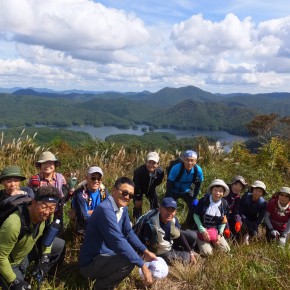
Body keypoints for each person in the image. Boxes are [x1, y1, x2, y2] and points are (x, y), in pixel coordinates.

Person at [79, 177, 156, 290]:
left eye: (131, 195)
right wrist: (142, 265)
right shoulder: (105, 210)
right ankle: (101, 287)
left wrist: (145, 251)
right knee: (128, 261)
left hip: (105, 257)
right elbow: (117, 240)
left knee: (130, 256)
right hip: (90, 263)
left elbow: (128, 233)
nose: (127, 197)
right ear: (114, 190)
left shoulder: (122, 209)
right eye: (124, 193)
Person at [0, 186, 65, 290]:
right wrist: (14, 281)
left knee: (59, 245)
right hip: (10, 263)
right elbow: (1, 258)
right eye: (43, 206)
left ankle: (43, 277)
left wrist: (45, 258)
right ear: (33, 202)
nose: (47, 212)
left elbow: (48, 238)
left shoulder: (48, 215)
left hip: (28, 251)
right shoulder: (14, 224)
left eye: (52, 208)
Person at [138, 197, 198, 265]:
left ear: (175, 211)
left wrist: (190, 252)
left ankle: (186, 252)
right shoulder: (151, 224)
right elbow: (143, 242)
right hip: (161, 249)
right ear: (160, 208)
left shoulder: (173, 219)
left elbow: (180, 235)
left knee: (193, 236)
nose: (169, 213)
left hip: (170, 240)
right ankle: (180, 253)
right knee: (187, 258)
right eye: (167, 209)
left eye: (172, 210)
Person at [27, 151, 67, 226]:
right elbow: (30, 198)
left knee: (55, 231)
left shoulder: (60, 178)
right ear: (40, 166)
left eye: (50, 163)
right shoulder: (34, 180)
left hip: (56, 211)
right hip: (40, 212)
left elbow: (64, 194)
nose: (47, 166)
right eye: (44, 163)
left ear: (54, 165)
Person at [166, 150, 203, 228]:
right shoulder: (176, 168)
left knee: (195, 206)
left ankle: (188, 224)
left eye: (192, 160)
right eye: (187, 160)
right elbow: (169, 184)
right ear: (183, 160)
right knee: (167, 206)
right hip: (173, 190)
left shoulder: (198, 170)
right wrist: (169, 199)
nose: (189, 163)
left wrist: (194, 197)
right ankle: (168, 224)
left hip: (187, 191)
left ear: (195, 161)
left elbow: (198, 185)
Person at [193, 179, 231, 256]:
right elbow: (196, 215)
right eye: (215, 190)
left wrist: (220, 234)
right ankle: (200, 242)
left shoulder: (224, 203)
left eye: (220, 191)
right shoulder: (203, 201)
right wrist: (202, 230)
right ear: (211, 190)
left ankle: (213, 242)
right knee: (208, 253)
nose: (217, 193)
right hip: (202, 231)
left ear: (223, 193)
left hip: (216, 232)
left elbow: (224, 220)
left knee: (227, 250)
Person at [71, 166, 108, 234]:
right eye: (93, 178)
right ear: (87, 178)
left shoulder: (104, 192)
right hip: (83, 226)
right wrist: (99, 212)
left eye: (99, 178)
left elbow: (108, 211)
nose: (96, 181)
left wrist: (91, 212)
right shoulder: (80, 194)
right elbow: (83, 215)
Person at [133, 152, 164, 220]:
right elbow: (136, 185)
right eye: (149, 162)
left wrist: (152, 186)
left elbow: (159, 181)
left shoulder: (160, 172)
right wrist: (138, 198)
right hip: (139, 189)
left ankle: (153, 220)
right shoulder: (138, 171)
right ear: (146, 162)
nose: (151, 165)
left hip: (151, 189)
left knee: (155, 206)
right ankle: (137, 220)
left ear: (158, 164)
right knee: (138, 205)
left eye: (154, 163)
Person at [239, 180, 267, 245]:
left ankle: (247, 237)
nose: (257, 193)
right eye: (256, 190)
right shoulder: (246, 196)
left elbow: (260, 218)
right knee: (241, 229)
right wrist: (245, 220)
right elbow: (240, 209)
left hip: (253, 221)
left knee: (254, 234)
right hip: (243, 217)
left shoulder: (263, 203)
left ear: (262, 193)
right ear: (252, 190)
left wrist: (254, 224)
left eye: (260, 191)